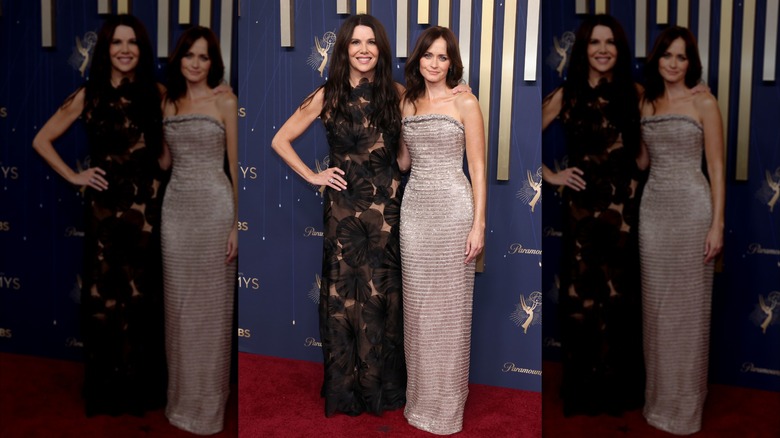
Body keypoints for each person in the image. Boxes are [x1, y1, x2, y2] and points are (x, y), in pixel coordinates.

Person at [271, 14, 407, 417]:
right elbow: (280, 139)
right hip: (344, 210)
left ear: (380, 49)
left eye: (371, 42)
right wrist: (314, 176)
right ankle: (347, 390)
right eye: (355, 42)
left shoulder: (397, 93)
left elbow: (418, 136)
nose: (364, 50)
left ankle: (380, 388)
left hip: (387, 213)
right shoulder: (326, 94)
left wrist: (458, 91)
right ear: (344, 48)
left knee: (382, 299)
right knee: (343, 300)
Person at [32, 14, 168, 416]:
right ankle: (106, 391)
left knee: (140, 302)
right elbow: (41, 140)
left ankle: (140, 392)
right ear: (105, 48)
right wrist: (75, 176)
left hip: (146, 212)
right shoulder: (87, 94)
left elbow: (168, 152)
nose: (125, 50)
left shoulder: (156, 93)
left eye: (133, 43)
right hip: (104, 212)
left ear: (141, 50)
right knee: (103, 301)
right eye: (116, 42)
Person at [541, 14, 646, 416]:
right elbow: (523, 135)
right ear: (583, 48)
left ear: (619, 50)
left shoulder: (635, 93)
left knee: (618, 300)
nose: (603, 49)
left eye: (611, 43)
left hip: (624, 213)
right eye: (594, 42)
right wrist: (553, 175)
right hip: (583, 213)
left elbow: (648, 148)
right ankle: (583, 392)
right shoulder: (566, 94)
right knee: (581, 301)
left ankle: (618, 392)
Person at [397, 26, 486, 435]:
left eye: (442, 57)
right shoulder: (407, 102)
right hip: (415, 212)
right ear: (417, 59)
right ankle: (419, 403)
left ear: (452, 63)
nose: (434, 63)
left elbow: (479, 170)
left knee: (449, 315)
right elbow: (401, 163)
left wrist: (479, 223)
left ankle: (447, 409)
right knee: (417, 312)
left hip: (453, 210)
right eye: (428, 55)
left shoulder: (466, 101)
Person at [638, 26, 724, 435]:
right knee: (656, 313)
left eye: (681, 57)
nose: (673, 63)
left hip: (693, 210)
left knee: (688, 315)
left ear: (692, 63)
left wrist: (717, 223)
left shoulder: (705, 102)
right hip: (653, 212)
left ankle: (686, 409)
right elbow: (639, 162)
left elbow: (718, 169)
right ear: (656, 59)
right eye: (667, 55)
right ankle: (658, 403)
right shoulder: (646, 102)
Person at [159, 26, 238, 434]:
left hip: (214, 211)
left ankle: (206, 410)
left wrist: (237, 226)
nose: (195, 62)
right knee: (179, 310)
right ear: (180, 59)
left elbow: (236, 170)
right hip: (175, 212)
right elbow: (164, 162)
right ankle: (180, 403)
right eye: (189, 54)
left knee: (210, 314)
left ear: (213, 63)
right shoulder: (168, 103)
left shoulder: (225, 101)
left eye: (203, 56)